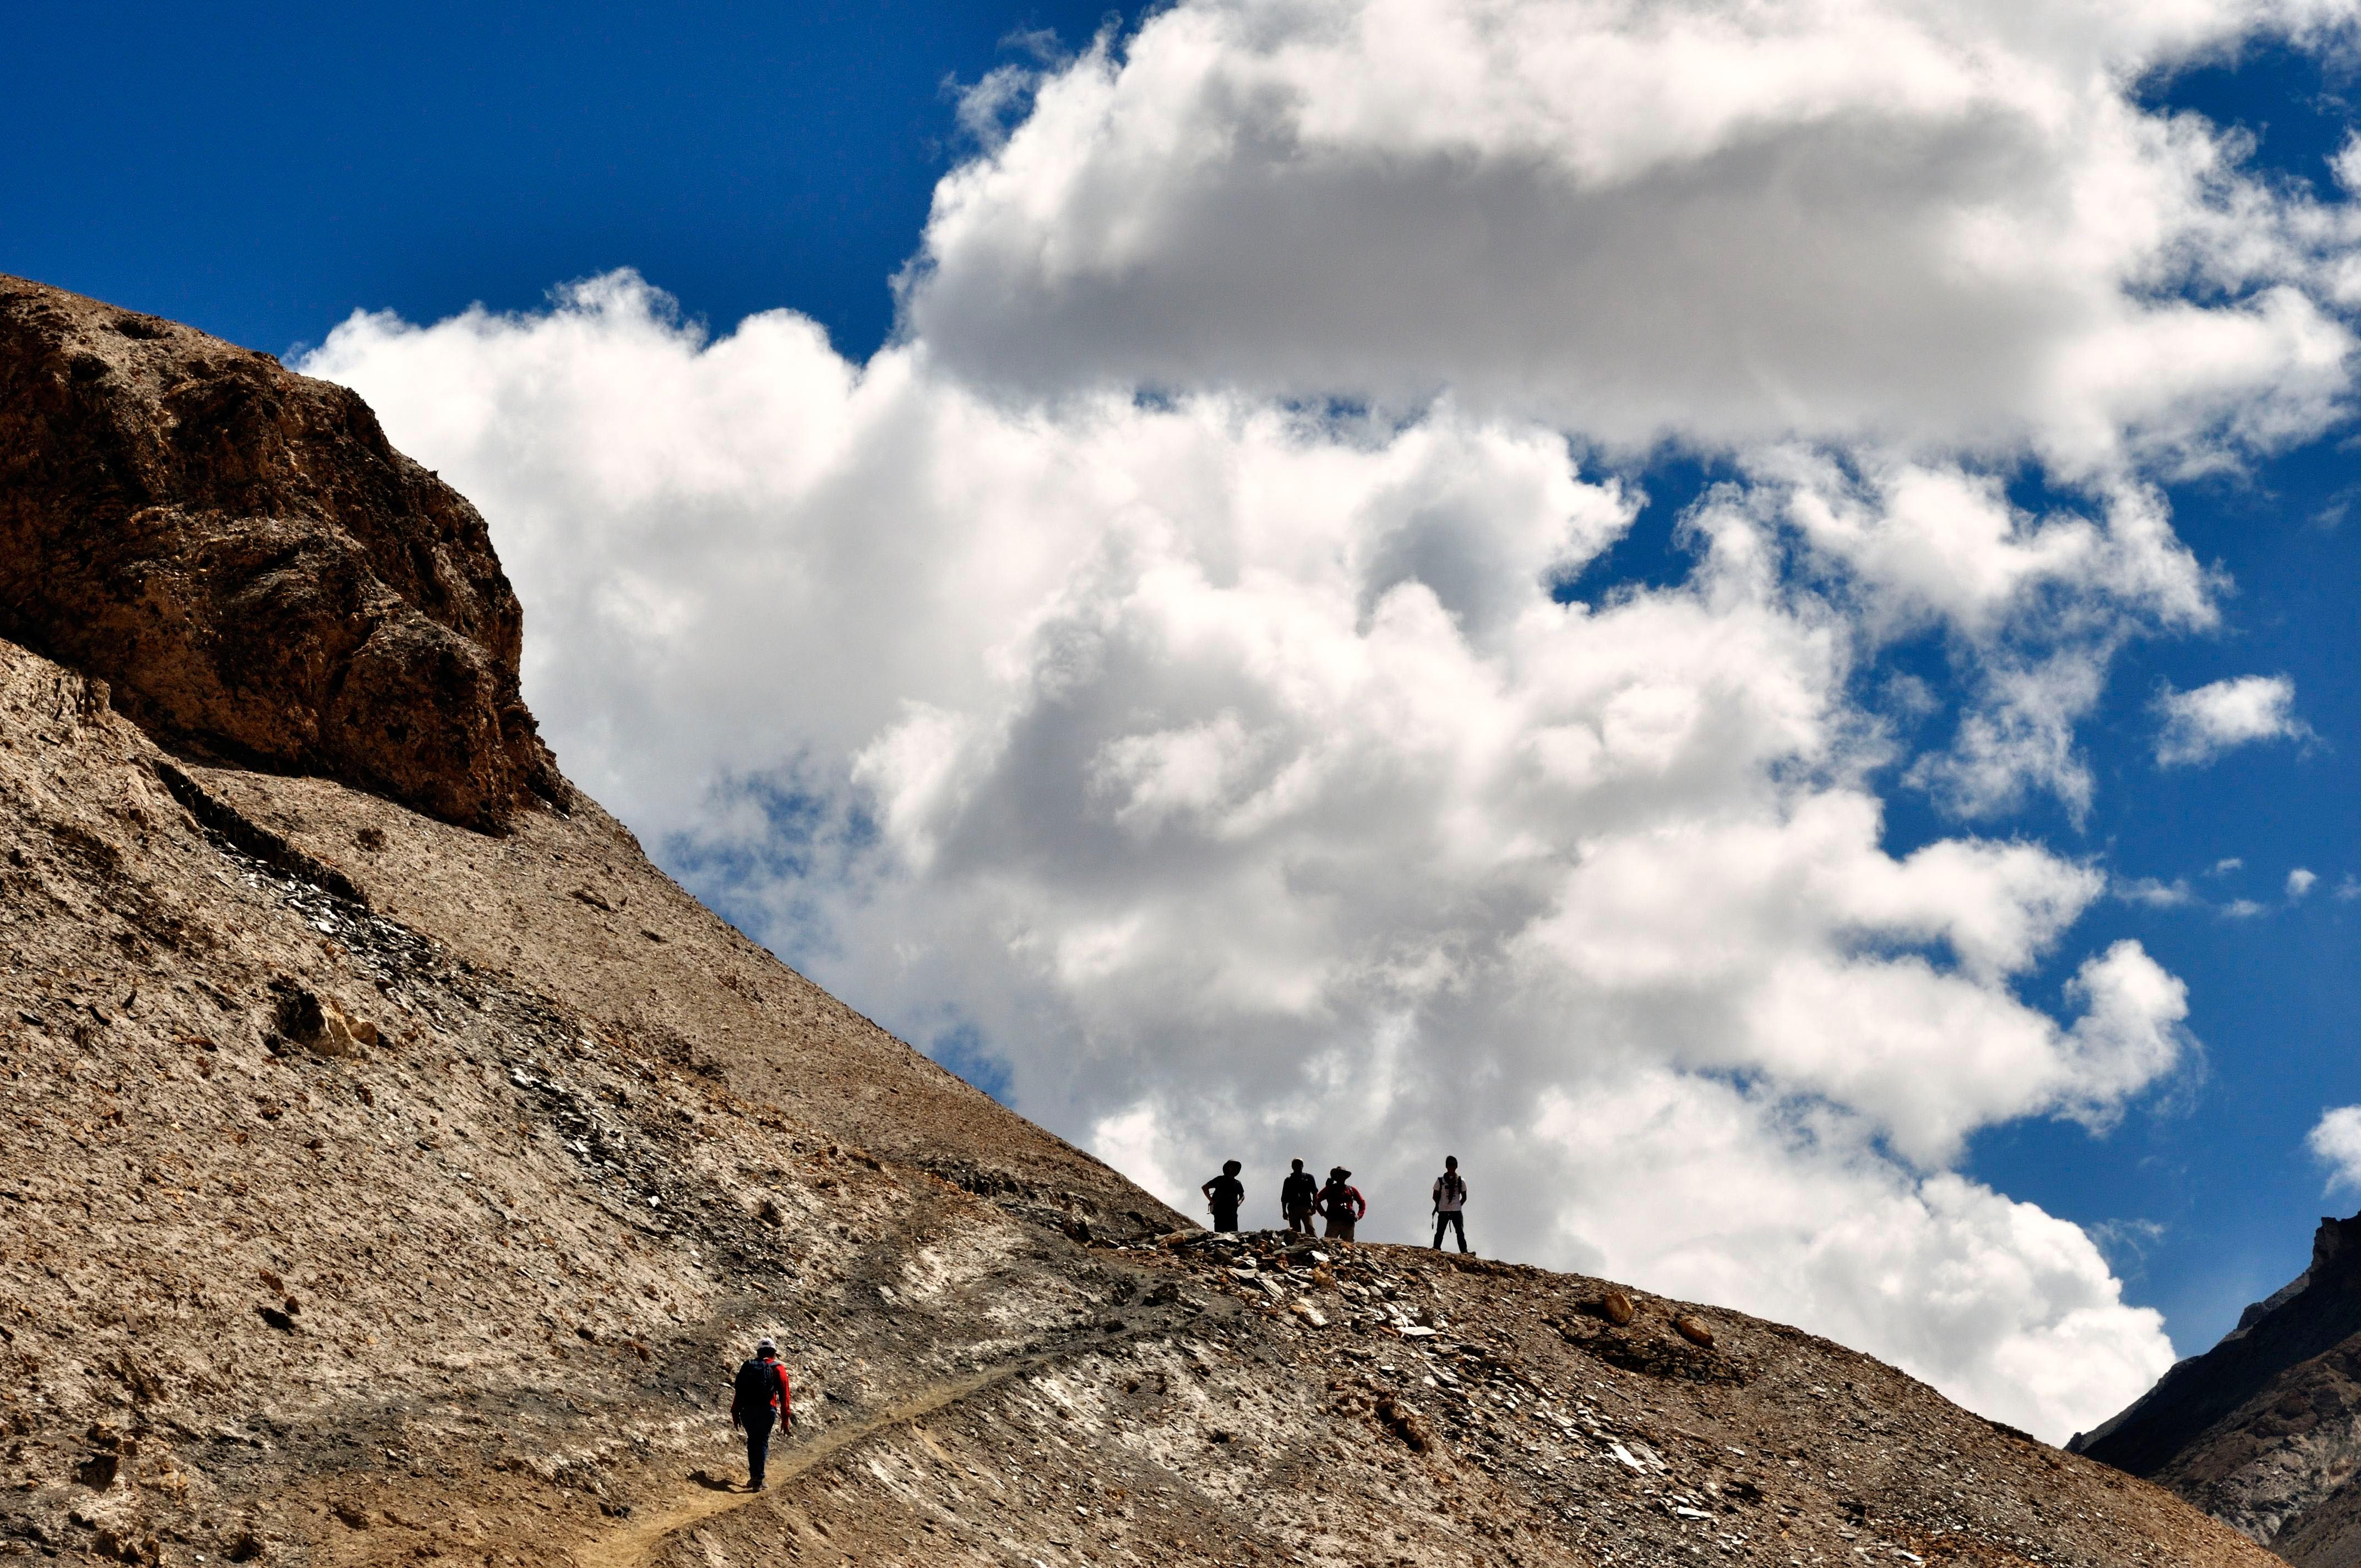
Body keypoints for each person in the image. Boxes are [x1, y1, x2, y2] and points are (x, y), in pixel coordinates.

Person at [729, 1337, 793, 1490]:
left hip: (747, 1411)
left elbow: (740, 1391)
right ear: (774, 1353)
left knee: (753, 1441)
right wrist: (785, 1419)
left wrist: (735, 1411)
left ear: (758, 1353)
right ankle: (759, 1478)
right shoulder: (778, 1368)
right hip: (767, 1410)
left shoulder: (749, 1367)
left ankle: (754, 1477)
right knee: (762, 1441)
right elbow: (785, 1396)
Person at [1431, 1155, 1469, 1253]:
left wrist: (1458, 1205)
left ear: (1456, 1166)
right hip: (1444, 1210)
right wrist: (1440, 1205)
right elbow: (1435, 1196)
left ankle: (1464, 1251)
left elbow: (1464, 1197)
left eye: (1453, 1165)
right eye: (1449, 1165)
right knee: (1440, 1231)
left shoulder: (1461, 1181)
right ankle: (1436, 1249)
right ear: (1446, 1166)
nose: (1451, 1167)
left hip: (1456, 1210)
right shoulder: (1440, 1181)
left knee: (1460, 1232)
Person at [1317, 1167, 1365, 1242]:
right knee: (1329, 1244)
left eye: (1343, 1175)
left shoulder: (1352, 1190)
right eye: (1339, 1174)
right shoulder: (1329, 1189)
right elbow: (1317, 1200)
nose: (1341, 1176)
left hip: (1348, 1222)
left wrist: (1358, 1216)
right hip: (1333, 1221)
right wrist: (1324, 1214)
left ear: (1346, 1177)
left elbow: (1362, 1203)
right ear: (1335, 1177)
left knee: (1347, 1245)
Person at [1201, 1159, 1245, 1232]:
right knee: (1220, 1235)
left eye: (1236, 1168)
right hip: (1220, 1213)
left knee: (1233, 1235)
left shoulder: (1238, 1183)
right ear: (1227, 1168)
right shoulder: (1220, 1180)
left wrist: (1239, 1203)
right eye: (1232, 1167)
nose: (1234, 1169)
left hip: (1233, 1214)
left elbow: (1242, 1195)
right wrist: (1212, 1201)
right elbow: (1205, 1187)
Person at [1280, 1158, 1318, 1235]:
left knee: (1310, 1228)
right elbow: (1284, 1198)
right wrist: (1284, 1212)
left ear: (1303, 1166)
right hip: (1293, 1208)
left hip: (1306, 1207)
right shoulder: (1288, 1180)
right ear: (1292, 1166)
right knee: (1295, 1231)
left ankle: (1314, 1244)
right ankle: (1297, 1245)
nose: (1298, 1166)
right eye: (1295, 1164)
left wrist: (1315, 1206)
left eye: (1300, 1164)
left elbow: (1315, 1192)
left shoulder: (1309, 1177)